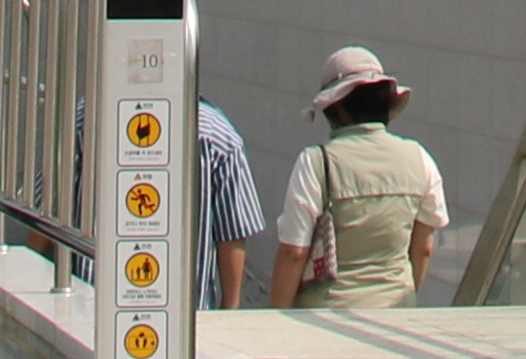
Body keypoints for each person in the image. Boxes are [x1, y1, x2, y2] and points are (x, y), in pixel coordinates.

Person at [268, 45, 444, 310]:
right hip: (396, 318)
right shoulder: (419, 158)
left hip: (325, 321)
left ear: (334, 108)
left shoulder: (316, 162)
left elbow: (294, 253)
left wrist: (274, 321)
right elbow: (423, 248)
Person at [188, 90, 267, 307]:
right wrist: (229, 309)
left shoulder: (90, 116)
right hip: (192, 313)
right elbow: (232, 233)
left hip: (92, 308)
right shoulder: (217, 132)